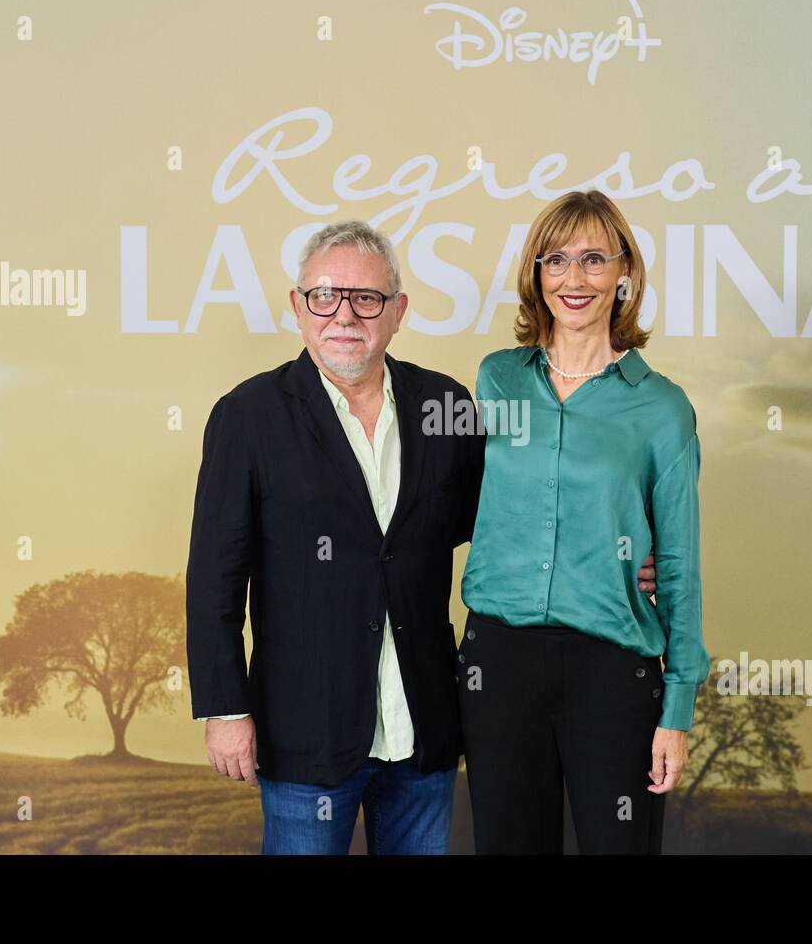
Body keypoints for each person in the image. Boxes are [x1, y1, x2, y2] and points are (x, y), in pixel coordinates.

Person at [185, 219, 656, 854]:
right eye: (325, 296)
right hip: (304, 732)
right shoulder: (247, 417)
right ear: (298, 307)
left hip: (425, 729)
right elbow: (214, 579)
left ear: (398, 311)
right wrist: (224, 709)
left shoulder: (445, 404)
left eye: (367, 299)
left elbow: (501, 518)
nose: (345, 315)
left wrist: (614, 554)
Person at [458, 189, 711, 854]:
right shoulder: (495, 381)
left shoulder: (662, 409)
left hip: (612, 672)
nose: (575, 279)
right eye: (557, 260)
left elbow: (679, 563)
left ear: (625, 271)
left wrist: (678, 708)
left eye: (594, 259)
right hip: (498, 664)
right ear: (537, 274)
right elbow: (465, 505)